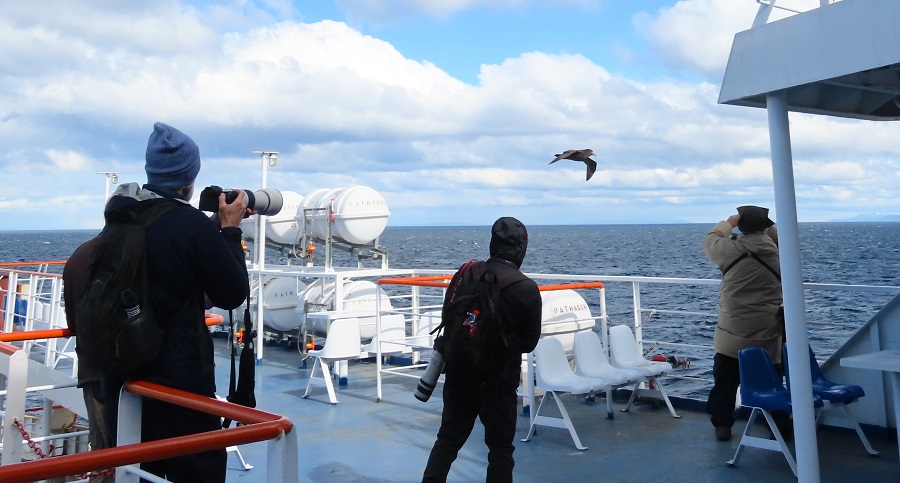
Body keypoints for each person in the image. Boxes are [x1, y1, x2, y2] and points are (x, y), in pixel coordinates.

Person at [95, 122, 250, 482]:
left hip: (129, 371)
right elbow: (231, 293)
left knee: (142, 469)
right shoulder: (190, 224)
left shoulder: (123, 218)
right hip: (180, 377)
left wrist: (209, 229)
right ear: (188, 180)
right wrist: (228, 230)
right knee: (198, 470)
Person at [422, 216, 543, 483]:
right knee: (500, 451)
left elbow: (449, 317)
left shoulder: (467, 273)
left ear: (492, 244)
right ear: (521, 249)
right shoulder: (526, 289)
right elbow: (529, 343)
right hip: (498, 382)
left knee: (447, 441)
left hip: (460, 373)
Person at [701, 205, 787, 442]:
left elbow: (710, 240)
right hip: (766, 332)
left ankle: (722, 426)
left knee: (725, 382)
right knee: (772, 382)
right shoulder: (779, 251)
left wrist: (728, 222)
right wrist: (769, 228)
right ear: (766, 227)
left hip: (731, 331)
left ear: (742, 225)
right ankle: (779, 427)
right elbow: (780, 237)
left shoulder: (728, 249)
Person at [63, 236, 115, 482]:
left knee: (103, 453)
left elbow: (72, 322)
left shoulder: (78, 256)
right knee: (127, 454)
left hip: (91, 369)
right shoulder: (131, 253)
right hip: (129, 373)